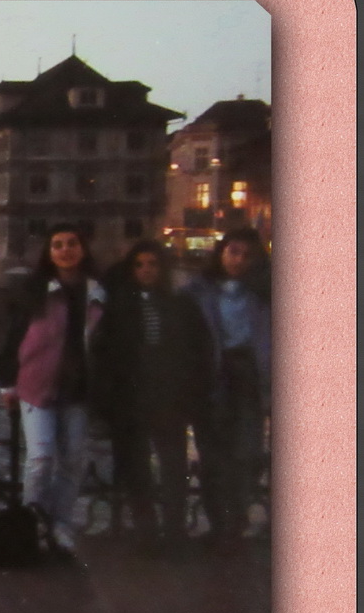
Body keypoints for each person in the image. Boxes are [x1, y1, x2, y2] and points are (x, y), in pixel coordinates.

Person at [94, 240, 213, 556]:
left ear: (163, 268)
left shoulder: (182, 305)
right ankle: (145, 531)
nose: (146, 270)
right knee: (137, 468)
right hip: (131, 398)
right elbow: (104, 354)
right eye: (140, 265)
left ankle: (175, 532)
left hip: (170, 397)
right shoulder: (120, 307)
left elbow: (199, 349)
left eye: (153, 264)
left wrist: (191, 389)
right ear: (131, 270)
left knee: (173, 465)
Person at [0, 223, 106, 558]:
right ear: (49, 252)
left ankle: (60, 525)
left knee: (72, 461)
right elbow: (13, 337)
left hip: (79, 387)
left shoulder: (98, 291)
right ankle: (31, 525)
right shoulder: (35, 290)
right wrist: (7, 383)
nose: (65, 250)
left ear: (83, 249)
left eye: (72, 243)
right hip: (37, 383)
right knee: (41, 459)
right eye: (57, 245)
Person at [181, 228, 271, 548]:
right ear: (221, 253)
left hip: (249, 378)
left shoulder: (265, 292)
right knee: (212, 454)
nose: (239, 260)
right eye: (233, 252)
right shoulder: (197, 292)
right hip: (212, 378)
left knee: (247, 453)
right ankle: (219, 525)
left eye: (247, 255)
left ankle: (236, 521)